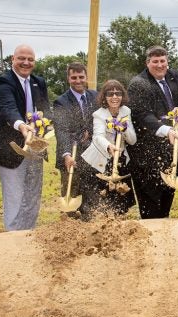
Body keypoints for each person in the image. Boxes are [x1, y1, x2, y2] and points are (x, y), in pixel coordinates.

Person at [0, 44, 50, 230]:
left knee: (32, 197)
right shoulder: (4, 81)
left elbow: (46, 110)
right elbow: (7, 108)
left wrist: (46, 124)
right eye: (21, 58)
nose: (26, 62)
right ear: (12, 59)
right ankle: (12, 240)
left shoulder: (39, 82)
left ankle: (28, 237)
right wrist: (21, 126)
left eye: (30, 59)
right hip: (10, 148)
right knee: (15, 198)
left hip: (36, 148)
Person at [126, 46, 178, 219]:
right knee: (151, 205)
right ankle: (151, 237)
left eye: (162, 61)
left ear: (167, 61)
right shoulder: (138, 84)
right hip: (148, 155)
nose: (159, 65)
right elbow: (141, 114)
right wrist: (166, 130)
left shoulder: (176, 76)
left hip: (175, 151)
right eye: (155, 61)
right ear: (147, 63)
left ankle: (163, 233)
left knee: (167, 199)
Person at [80, 79, 137, 215]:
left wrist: (124, 129)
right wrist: (108, 146)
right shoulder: (99, 114)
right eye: (110, 94)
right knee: (102, 200)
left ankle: (118, 225)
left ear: (122, 96)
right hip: (101, 159)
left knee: (120, 201)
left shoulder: (126, 111)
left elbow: (133, 140)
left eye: (118, 93)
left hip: (120, 160)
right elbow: (98, 136)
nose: (114, 97)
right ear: (104, 97)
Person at [52, 62, 98, 219]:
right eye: (74, 77)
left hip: (92, 156)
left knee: (91, 198)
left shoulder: (95, 96)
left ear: (86, 77)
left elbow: (99, 121)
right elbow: (62, 130)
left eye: (81, 77)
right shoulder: (61, 102)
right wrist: (66, 154)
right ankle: (70, 233)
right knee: (72, 198)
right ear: (68, 78)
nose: (78, 80)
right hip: (71, 157)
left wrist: (89, 132)